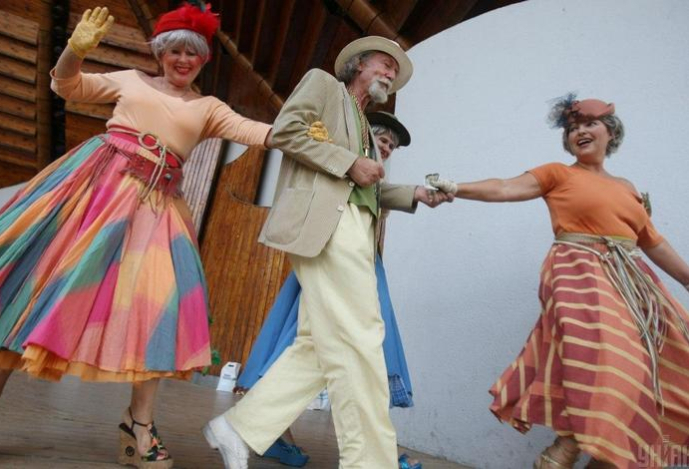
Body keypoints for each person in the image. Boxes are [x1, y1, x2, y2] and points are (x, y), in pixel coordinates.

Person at [0, 5, 272, 469]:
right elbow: (67, 86)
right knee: (30, 290)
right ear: (161, 53)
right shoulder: (130, 80)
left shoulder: (208, 108)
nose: (183, 59)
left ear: (204, 59)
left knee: (161, 305)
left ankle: (138, 427)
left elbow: (255, 131)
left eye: (193, 53)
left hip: (156, 210)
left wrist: (303, 130)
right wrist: (74, 50)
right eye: (175, 50)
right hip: (94, 192)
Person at [203, 36, 450, 469]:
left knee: (317, 346)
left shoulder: (365, 125)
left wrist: (414, 193)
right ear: (358, 64)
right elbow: (286, 130)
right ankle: (370, 462)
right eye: (384, 64)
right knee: (362, 336)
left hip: (355, 230)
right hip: (330, 225)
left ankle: (239, 428)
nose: (390, 74)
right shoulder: (323, 85)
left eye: (395, 72)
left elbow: (365, 186)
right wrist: (349, 162)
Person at [427, 96, 689, 468]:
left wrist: (687, 279)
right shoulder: (558, 174)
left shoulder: (628, 188)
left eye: (589, 124)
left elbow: (652, 242)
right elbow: (505, 187)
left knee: (656, 367)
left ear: (611, 133)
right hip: (578, 270)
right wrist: (456, 187)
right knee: (612, 361)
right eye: (572, 128)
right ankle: (567, 447)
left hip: (632, 282)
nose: (579, 131)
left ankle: (579, 455)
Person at [235, 111, 419, 468]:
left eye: (392, 147)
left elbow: (376, 202)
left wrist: (414, 195)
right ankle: (272, 431)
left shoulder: (373, 180)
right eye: (383, 141)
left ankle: (371, 451)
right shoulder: (345, 161)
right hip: (330, 257)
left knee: (343, 349)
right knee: (328, 344)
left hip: (363, 263)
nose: (387, 149)